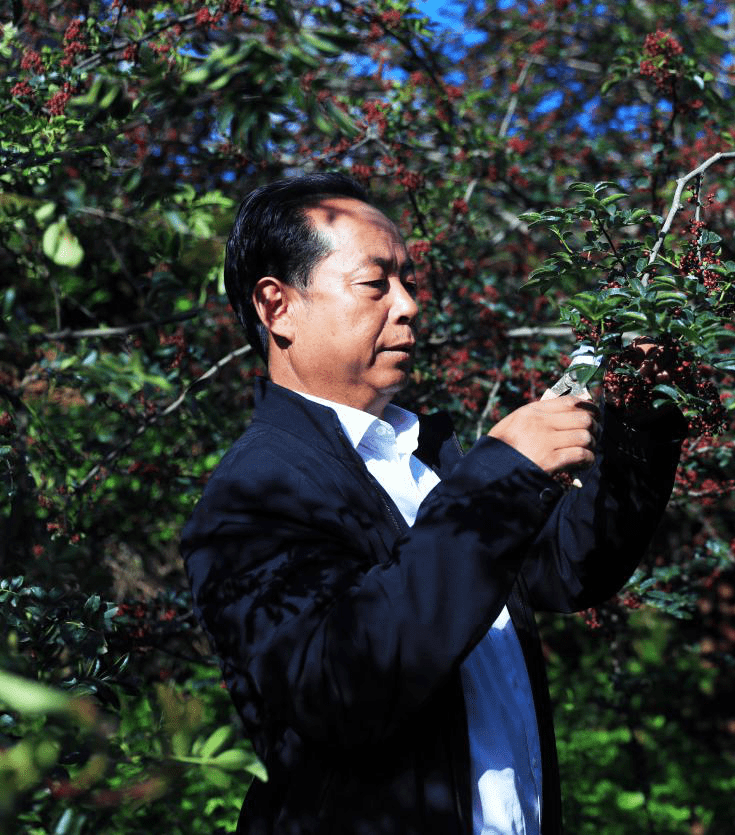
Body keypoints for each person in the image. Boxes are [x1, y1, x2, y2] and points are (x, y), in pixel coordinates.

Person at [181, 173, 686, 835]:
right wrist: (501, 478)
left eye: (409, 281)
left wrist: (637, 426)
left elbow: (569, 568)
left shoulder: (422, 458)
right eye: (375, 283)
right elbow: (344, 685)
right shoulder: (249, 498)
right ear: (278, 306)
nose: (409, 304)